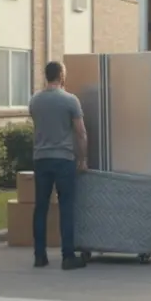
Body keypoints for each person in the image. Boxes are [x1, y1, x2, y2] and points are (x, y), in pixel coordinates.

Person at [28, 60, 88, 270]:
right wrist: (82, 158)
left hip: (41, 159)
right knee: (66, 207)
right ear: (61, 75)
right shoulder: (70, 100)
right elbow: (80, 133)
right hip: (64, 159)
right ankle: (68, 257)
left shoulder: (35, 100)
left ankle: (39, 255)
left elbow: (37, 125)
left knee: (41, 207)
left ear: (46, 76)